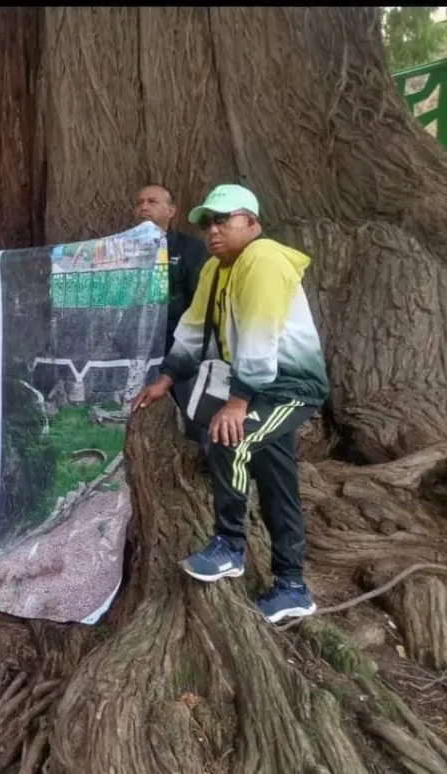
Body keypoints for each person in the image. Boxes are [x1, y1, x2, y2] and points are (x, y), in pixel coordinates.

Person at [132, 184, 330, 624]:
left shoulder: (263, 259)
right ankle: (292, 586)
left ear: (252, 224)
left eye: (224, 220)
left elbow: (259, 340)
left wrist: (237, 404)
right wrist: (165, 379)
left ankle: (229, 545)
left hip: (288, 386)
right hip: (259, 386)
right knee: (278, 482)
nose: (214, 230)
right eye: (207, 223)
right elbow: (192, 326)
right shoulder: (217, 269)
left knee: (229, 438)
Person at [133, 184, 209, 446]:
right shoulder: (124, 251)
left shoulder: (191, 249)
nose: (144, 207)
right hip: (137, 353)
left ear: (171, 211)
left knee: (196, 418)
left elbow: (200, 305)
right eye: (140, 203)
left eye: (152, 202)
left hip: (181, 350)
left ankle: (205, 471)